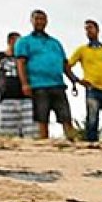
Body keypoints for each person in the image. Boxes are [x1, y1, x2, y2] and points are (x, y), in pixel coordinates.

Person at [15, 9, 79, 140]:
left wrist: (74, 79)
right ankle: (45, 145)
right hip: (39, 85)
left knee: (66, 116)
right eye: (36, 19)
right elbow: (20, 63)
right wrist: (25, 84)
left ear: (46, 21)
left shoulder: (55, 43)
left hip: (58, 84)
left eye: (42, 19)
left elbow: (64, 64)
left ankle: (72, 142)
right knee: (42, 117)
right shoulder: (24, 42)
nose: (39, 22)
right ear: (31, 21)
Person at [68, 20, 102, 143]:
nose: (88, 31)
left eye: (91, 28)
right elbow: (67, 65)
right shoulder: (82, 50)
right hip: (93, 90)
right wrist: (76, 80)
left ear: (97, 29)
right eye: (86, 29)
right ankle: (92, 145)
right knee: (92, 120)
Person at [0, 32, 34, 137]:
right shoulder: (0, 56)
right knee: (8, 132)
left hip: (25, 97)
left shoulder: (24, 58)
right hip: (7, 97)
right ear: (10, 41)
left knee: (30, 130)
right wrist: (0, 85)